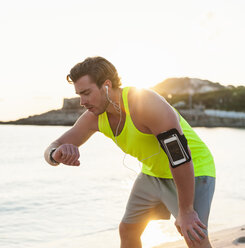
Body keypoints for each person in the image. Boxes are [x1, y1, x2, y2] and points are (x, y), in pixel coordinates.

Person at [43, 56, 216, 248]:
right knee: (128, 230)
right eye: (79, 95)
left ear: (106, 85)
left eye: (86, 93)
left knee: (194, 236)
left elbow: (180, 157)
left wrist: (186, 210)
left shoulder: (145, 104)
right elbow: (54, 146)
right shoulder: (94, 117)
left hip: (193, 169)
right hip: (153, 174)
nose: (82, 102)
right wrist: (55, 154)